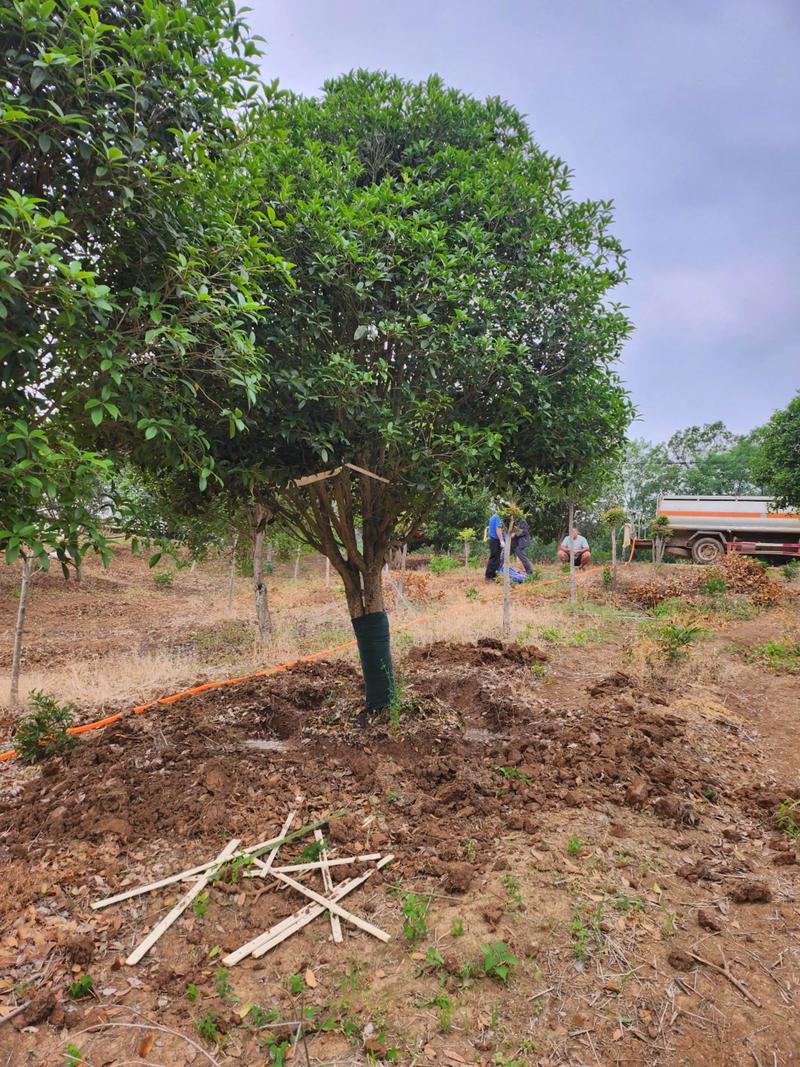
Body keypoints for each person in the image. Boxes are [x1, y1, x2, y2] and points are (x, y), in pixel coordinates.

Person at [484, 510, 505, 581]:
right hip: (495, 540)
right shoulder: (498, 517)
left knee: (497, 558)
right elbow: (498, 529)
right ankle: (489, 576)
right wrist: (501, 540)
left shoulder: (495, 516)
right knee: (494, 558)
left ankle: (494, 576)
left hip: (495, 539)